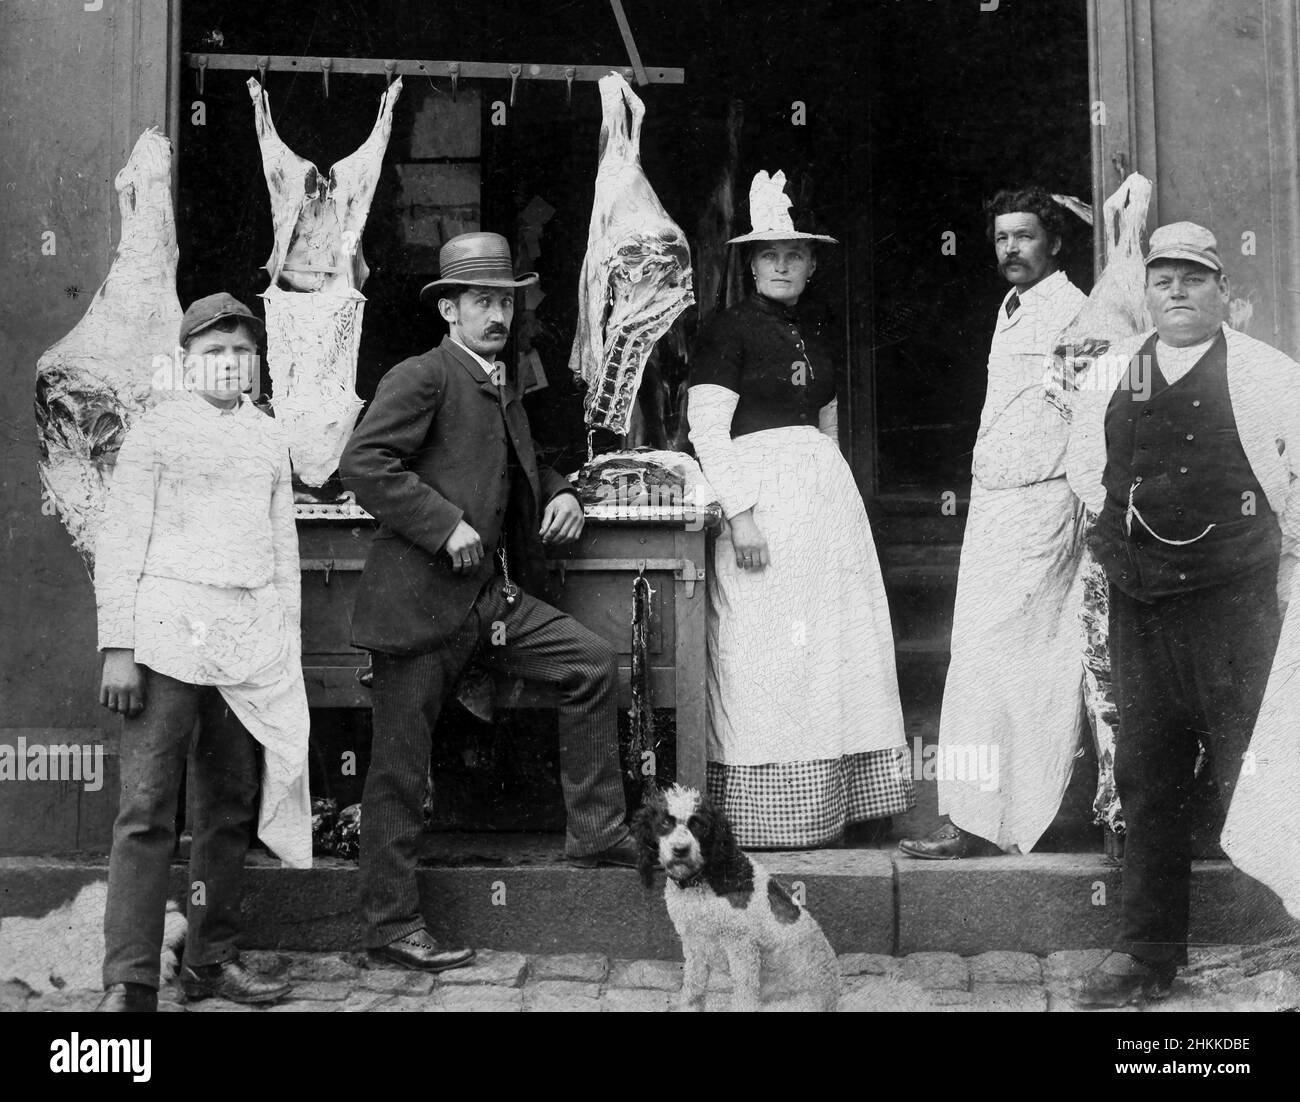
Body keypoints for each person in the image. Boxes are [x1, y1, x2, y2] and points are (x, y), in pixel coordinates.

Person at [340, 231, 636, 972]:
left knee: (593, 664)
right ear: (449, 311)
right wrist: (444, 527)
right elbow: (364, 464)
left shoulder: (503, 383)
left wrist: (563, 492)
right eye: (480, 301)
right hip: (417, 609)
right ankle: (390, 925)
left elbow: (527, 466)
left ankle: (596, 833)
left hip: (492, 603)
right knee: (399, 773)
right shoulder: (424, 376)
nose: (496, 314)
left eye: (504, 300)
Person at [1068, 222, 1300, 1006]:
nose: (1177, 291)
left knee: (1262, 770)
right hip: (1143, 606)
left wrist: (1285, 569)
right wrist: (1113, 551)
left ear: (1222, 292)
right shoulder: (1114, 372)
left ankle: (1294, 932)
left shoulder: (1266, 373)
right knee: (1146, 776)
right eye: (1163, 278)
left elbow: (1296, 478)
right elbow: (1085, 469)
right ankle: (1147, 954)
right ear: (1147, 291)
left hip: (1236, 605)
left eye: (1194, 279)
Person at [93, 292, 311, 1011]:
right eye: (214, 352)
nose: (229, 364)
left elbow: (282, 552)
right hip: (164, 639)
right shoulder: (156, 432)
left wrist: (284, 649)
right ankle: (130, 981)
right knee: (149, 808)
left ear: (256, 363)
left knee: (226, 809)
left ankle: (211, 960)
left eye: (241, 352)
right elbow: (121, 541)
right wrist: (119, 646)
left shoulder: (267, 438)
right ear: (187, 363)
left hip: (245, 645)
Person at [687, 170, 913, 849]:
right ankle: (770, 813)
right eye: (769, 256)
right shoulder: (726, 330)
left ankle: (839, 803)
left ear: (811, 264)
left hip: (822, 506)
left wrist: (836, 500)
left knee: (832, 648)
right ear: (751, 265)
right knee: (768, 648)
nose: (782, 266)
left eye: (794, 255)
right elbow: (705, 431)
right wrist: (740, 514)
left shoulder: (816, 331)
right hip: (762, 505)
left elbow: (827, 423)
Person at [899, 186, 1088, 861]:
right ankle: (979, 816)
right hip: (997, 508)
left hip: (1042, 512)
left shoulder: (1077, 313)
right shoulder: (1010, 309)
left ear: (1055, 242)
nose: (1011, 248)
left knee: (1024, 662)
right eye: (1002, 237)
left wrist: (1065, 505)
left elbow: (1084, 417)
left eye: (1025, 236)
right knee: (979, 658)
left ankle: (1007, 820)